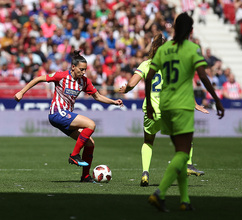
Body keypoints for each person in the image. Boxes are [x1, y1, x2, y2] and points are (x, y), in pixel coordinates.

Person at [145, 13, 224, 212]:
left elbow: (149, 77)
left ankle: (185, 200)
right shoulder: (191, 48)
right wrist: (216, 99)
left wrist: (149, 102)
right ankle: (159, 193)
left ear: (173, 28)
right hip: (182, 106)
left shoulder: (164, 49)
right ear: (190, 31)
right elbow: (204, 77)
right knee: (183, 152)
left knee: (179, 150)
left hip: (165, 105)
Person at [14, 50, 123, 183]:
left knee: (90, 143)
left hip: (65, 116)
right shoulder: (61, 76)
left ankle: (85, 177)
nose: (83, 72)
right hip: (56, 113)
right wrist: (21, 92)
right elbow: (38, 78)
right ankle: (74, 155)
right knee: (91, 124)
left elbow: (98, 96)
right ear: (73, 67)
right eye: (81, 69)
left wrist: (114, 102)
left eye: (85, 70)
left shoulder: (84, 81)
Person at [119, 33, 209, 187]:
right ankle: (188, 164)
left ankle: (145, 173)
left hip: (151, 111)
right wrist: (194, 103)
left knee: (148, 141)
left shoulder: (146, 64)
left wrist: (125, 89)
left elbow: (132, 83)